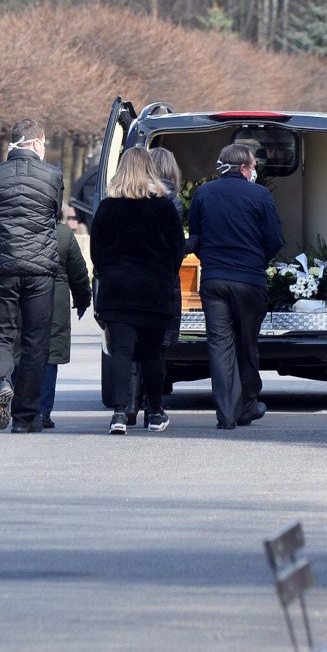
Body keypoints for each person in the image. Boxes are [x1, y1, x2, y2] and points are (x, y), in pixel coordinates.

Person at [0, 119, 64, 433]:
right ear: (38, 142)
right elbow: (55, 215)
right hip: (40, 271)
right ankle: (25, 418)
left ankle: (1, 383)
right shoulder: (52, 175)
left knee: (0, 335)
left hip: (2, 268)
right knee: (36, 341)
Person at [90, 147, 186, 435]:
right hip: (154, 292)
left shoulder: (107, 208)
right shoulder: (164, 207)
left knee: (120, 351)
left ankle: (119, 414)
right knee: (152, 353)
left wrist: (108, 274)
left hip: (117, 291)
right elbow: (176, 251)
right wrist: (163, 273)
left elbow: (97, 253)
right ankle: (155, 412)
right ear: (150, 171)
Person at [188, 142, 283, 430]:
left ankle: (225, 414)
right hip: (249, 280)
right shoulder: (260, 195)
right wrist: (258, 261)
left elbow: (196, 236)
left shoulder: (203, 193)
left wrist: (213, 261)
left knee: (219, 346)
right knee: (247, 344)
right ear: (243, 167)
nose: (255, 171)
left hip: (214, 280)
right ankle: (248, 405)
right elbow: (275, 239)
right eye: (253, 167)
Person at [0, 214, 90, 430]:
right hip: (52, 304)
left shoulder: (4, 231)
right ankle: (41, 411)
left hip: (10, 300)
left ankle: (8, 392)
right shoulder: (62, 233)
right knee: (47, 357)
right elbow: (78, 272)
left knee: (15, 352)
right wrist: (83, 299)